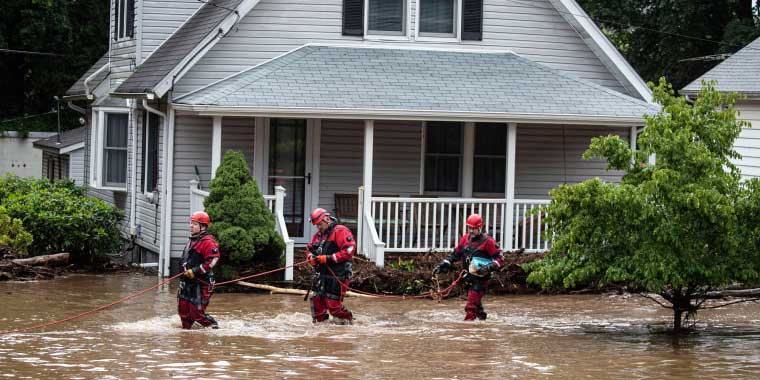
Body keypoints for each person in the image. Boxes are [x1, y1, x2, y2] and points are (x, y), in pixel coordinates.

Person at [433, 214, 504, 321]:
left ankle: (467, 328)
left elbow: (500, 258)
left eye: (474, 228)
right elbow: (455, 254)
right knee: (477, 308)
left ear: (480, 227)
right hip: (468, 278)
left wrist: (489, 267)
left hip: (481, 280)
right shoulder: (465, 239)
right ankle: (483, 323)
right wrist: (444, 264)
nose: (471, 231)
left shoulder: (488, 241)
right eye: (469, 228)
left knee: (470, 307)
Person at [306, 207, 356, 324]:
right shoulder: (318, 235)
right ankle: (321, 329)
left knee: (333, 306)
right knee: (317, 302)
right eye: (316, 225)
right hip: (322, 274)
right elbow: (309, 249)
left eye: (319, 224)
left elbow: (349, 250)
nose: (318, 227)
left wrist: (328, 258)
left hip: (338, 274)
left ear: (327, 220)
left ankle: (349, 320)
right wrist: (310, 258)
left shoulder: (341, 231)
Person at [178, 211, 221, 329]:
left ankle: (214, 327)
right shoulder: (192, 240)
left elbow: (213, 260)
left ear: (203, 227)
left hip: (202, 283)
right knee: (184, 313)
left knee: (196, 314)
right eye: (191, 223)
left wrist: (195, 271)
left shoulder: (208, 242)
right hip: (187, 282)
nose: (191, 226)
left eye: (195, 224)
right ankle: (187, 339)